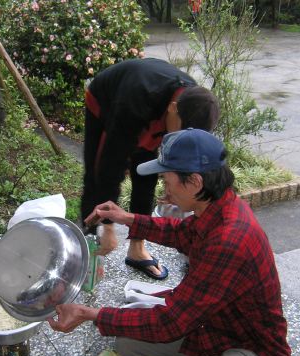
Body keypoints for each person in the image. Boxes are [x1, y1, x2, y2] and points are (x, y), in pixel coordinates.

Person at [50, 129, 292, 356]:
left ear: (194, 182)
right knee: (128, 343)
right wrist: (126, 218)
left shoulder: (231, 238)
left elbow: (169, 324)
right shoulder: (216, 208)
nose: (164, 187)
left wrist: (87, 313)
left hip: (254, 351)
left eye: (167, 180)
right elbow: (181, 232)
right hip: (213, 326)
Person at [81, 57, 220, 279]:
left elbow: (174, 159)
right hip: (107, 100)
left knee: (145, 177)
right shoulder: (133, 106)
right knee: (96, 171)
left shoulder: (196, 102)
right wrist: (108, 226)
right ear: (173, 110)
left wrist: (172, 186)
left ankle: (136, 249)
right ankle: (89, 244)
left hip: (152, 109)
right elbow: (109, 169)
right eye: (180, 134)